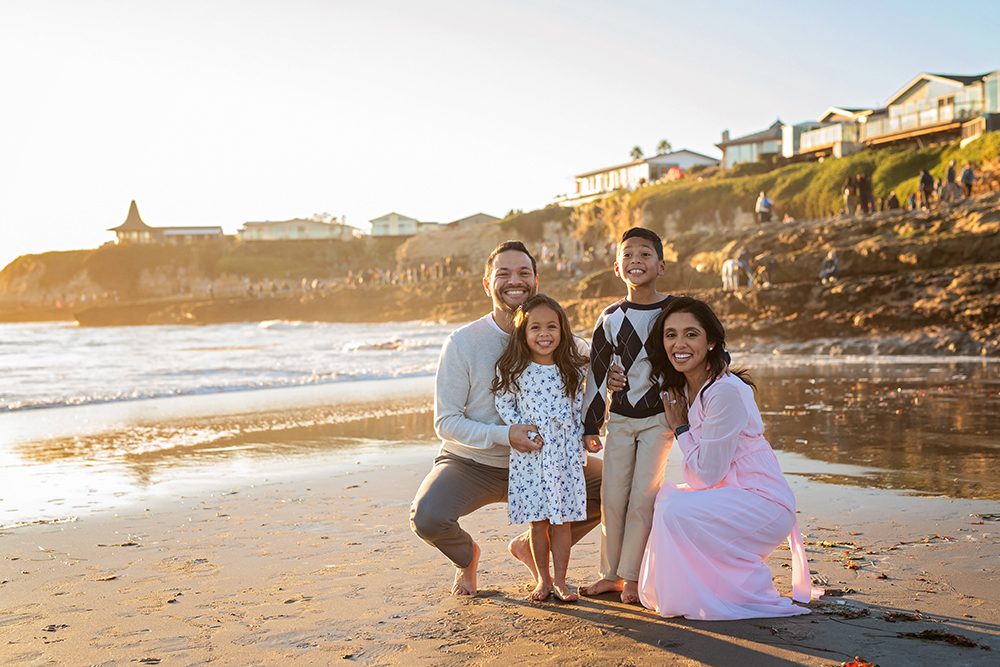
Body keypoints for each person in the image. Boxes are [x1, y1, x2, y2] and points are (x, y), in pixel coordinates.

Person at [410, 240, 621, 596]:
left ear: (535, 281)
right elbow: (445, 422)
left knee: (617, 488)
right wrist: (504, 434)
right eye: (503, 273)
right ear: (487, 283)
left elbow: (597, 371)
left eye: (523, 273)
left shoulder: (558, 337)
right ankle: (467, 559)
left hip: (549, 459)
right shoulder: (463, 343)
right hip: (473, 462)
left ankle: (530, 545)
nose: (514, 281)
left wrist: (613, 377)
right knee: (428, 517)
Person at [638, 296, 823, 619]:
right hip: (730, 494)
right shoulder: (684, 387)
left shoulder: (724, 391)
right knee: (666, 501)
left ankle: (741, 590)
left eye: (691, 334)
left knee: (674, 508)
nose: (679, 344)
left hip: (762, 502)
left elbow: (704, 476)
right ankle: (704, 588)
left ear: (711, 342)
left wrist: (681, 427)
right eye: (671, 335)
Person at [580, 227, 674, 604]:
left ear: (661, 265)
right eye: (628, 255)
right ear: (617, 268)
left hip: (658, 421)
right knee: (613, 496)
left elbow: (702, 347)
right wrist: (590, 424)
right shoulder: (610, 317)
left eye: (645, 254)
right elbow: (597, 372)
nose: (636, 260)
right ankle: (610, 575)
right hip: (619, 420)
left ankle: (633, 578)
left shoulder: (674, 310)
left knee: (642, 498)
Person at [493, 294, 596, 602]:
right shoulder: (514, 369)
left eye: (552, 326)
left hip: (563, 454)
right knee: (538, 522)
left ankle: (562, 581)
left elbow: (581, 405)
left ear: (562, 331)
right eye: (535, 328)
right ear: (523, 334)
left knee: (562, 521)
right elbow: (503, 402)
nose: (544, 334)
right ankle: (543, 580)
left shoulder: (572, 368)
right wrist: (520, 428)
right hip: (532, 454)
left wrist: (586, 434)